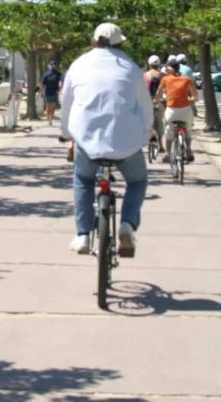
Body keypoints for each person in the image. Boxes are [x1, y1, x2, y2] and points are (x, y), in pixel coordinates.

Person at [61, 23, 153, 258]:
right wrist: (146, 134)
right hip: (126, 143)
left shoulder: (78, 64)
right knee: (137, 181)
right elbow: (146, 106)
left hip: (87, 142)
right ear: (120, 43)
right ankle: (127, 225)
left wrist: (67, 133)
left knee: (83, 180)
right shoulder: (131, 67)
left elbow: (67, 103)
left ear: (93, 41)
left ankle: (83, 234)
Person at [154, 59, 198, 163]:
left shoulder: (165, 79)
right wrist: (191, 99)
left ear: (170, 69)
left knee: (168, 130)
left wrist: (156, 100)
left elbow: (158, 94)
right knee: (188, 129)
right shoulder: (187, 79)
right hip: (185, 111)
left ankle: (168, 154)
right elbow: (195, 97)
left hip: (172, 111)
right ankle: (188, 149)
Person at [145, 55, 165, 150]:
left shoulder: (144, 75)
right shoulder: (162, 75)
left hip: (147, 101)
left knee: (149, 122)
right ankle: (161, 144)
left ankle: (150, 139)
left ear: (149, 64)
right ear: (159, 64)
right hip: (159, 101)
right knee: (160, 122)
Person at [39, 60, 64, 125]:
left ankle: (49, 119)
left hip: (49, 92)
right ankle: (50, 119)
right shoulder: (58, 74)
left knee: (49, 106)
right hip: (53, 92)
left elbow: (42, 84)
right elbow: (62, 82)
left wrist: (42, 92)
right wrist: (59, 89)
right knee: (52, 107)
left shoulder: (46, 74)